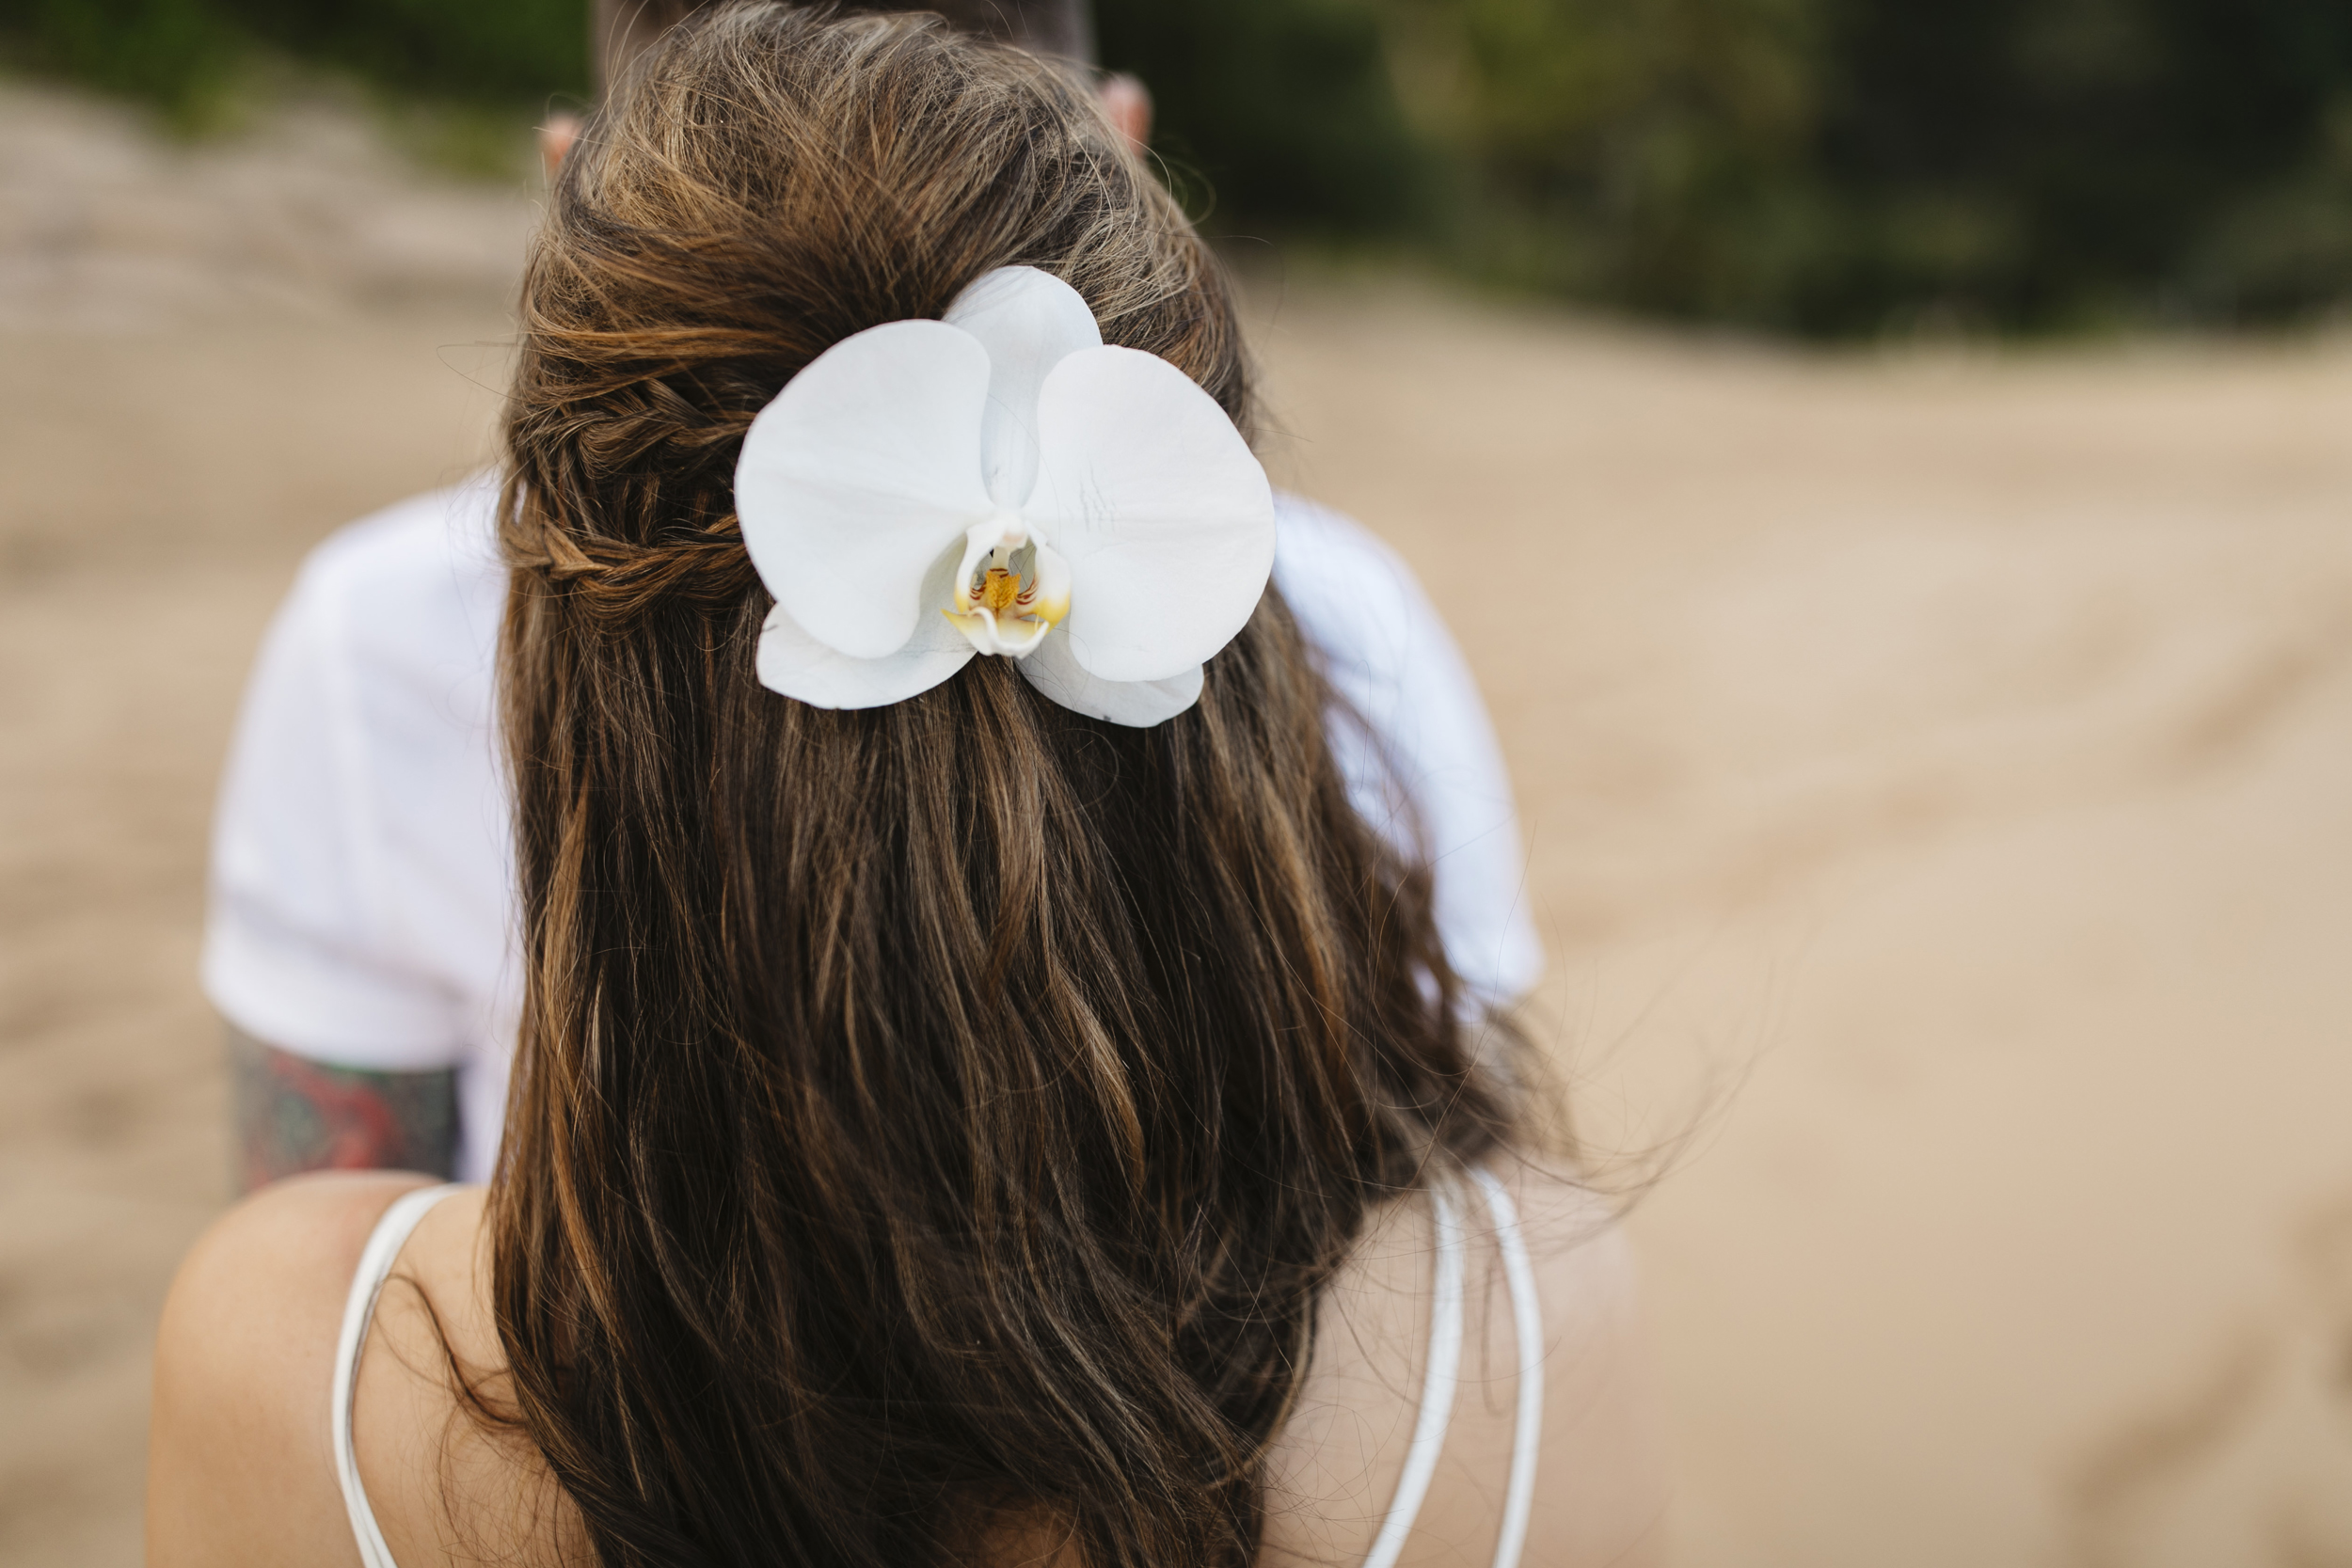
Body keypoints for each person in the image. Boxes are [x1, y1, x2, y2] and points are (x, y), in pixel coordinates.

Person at [150, 8, 1668, 1565]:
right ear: (1122, 157)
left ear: (576, 211)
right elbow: (1442, 1155)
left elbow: (340, 1233)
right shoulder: (1513, 1324)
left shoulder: (294, 1359)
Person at [202, 0, 1539, 1193]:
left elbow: (327, 1266)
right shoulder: (1347, 618)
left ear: (575, 200)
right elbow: (1459, 1195)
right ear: (1125, 152)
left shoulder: (370, 644)